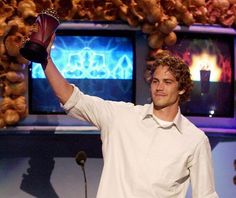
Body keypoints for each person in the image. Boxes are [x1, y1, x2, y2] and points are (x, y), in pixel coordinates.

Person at [41, 34, 218, 198]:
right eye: (155, 81)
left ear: (182, 88)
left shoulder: (194, 140)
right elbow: (73, 99)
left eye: (168, 82)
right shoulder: (120, 117)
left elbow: (206, 195)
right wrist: (46, 60)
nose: (159, 87)